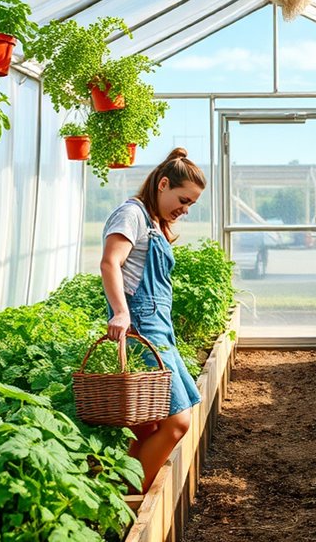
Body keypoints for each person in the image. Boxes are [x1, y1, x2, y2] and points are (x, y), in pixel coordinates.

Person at [100, 147, 206, 492]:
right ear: (163, 184)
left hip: (160, 330)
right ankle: (128, 498)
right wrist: (120, 311)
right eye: (183, 199)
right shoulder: (131, 214)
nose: (185, 209)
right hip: (143, 330)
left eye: (191, 204)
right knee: (178, 421)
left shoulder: (154, 222)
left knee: (148, 422)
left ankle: (116, 489)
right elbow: (109, 263)